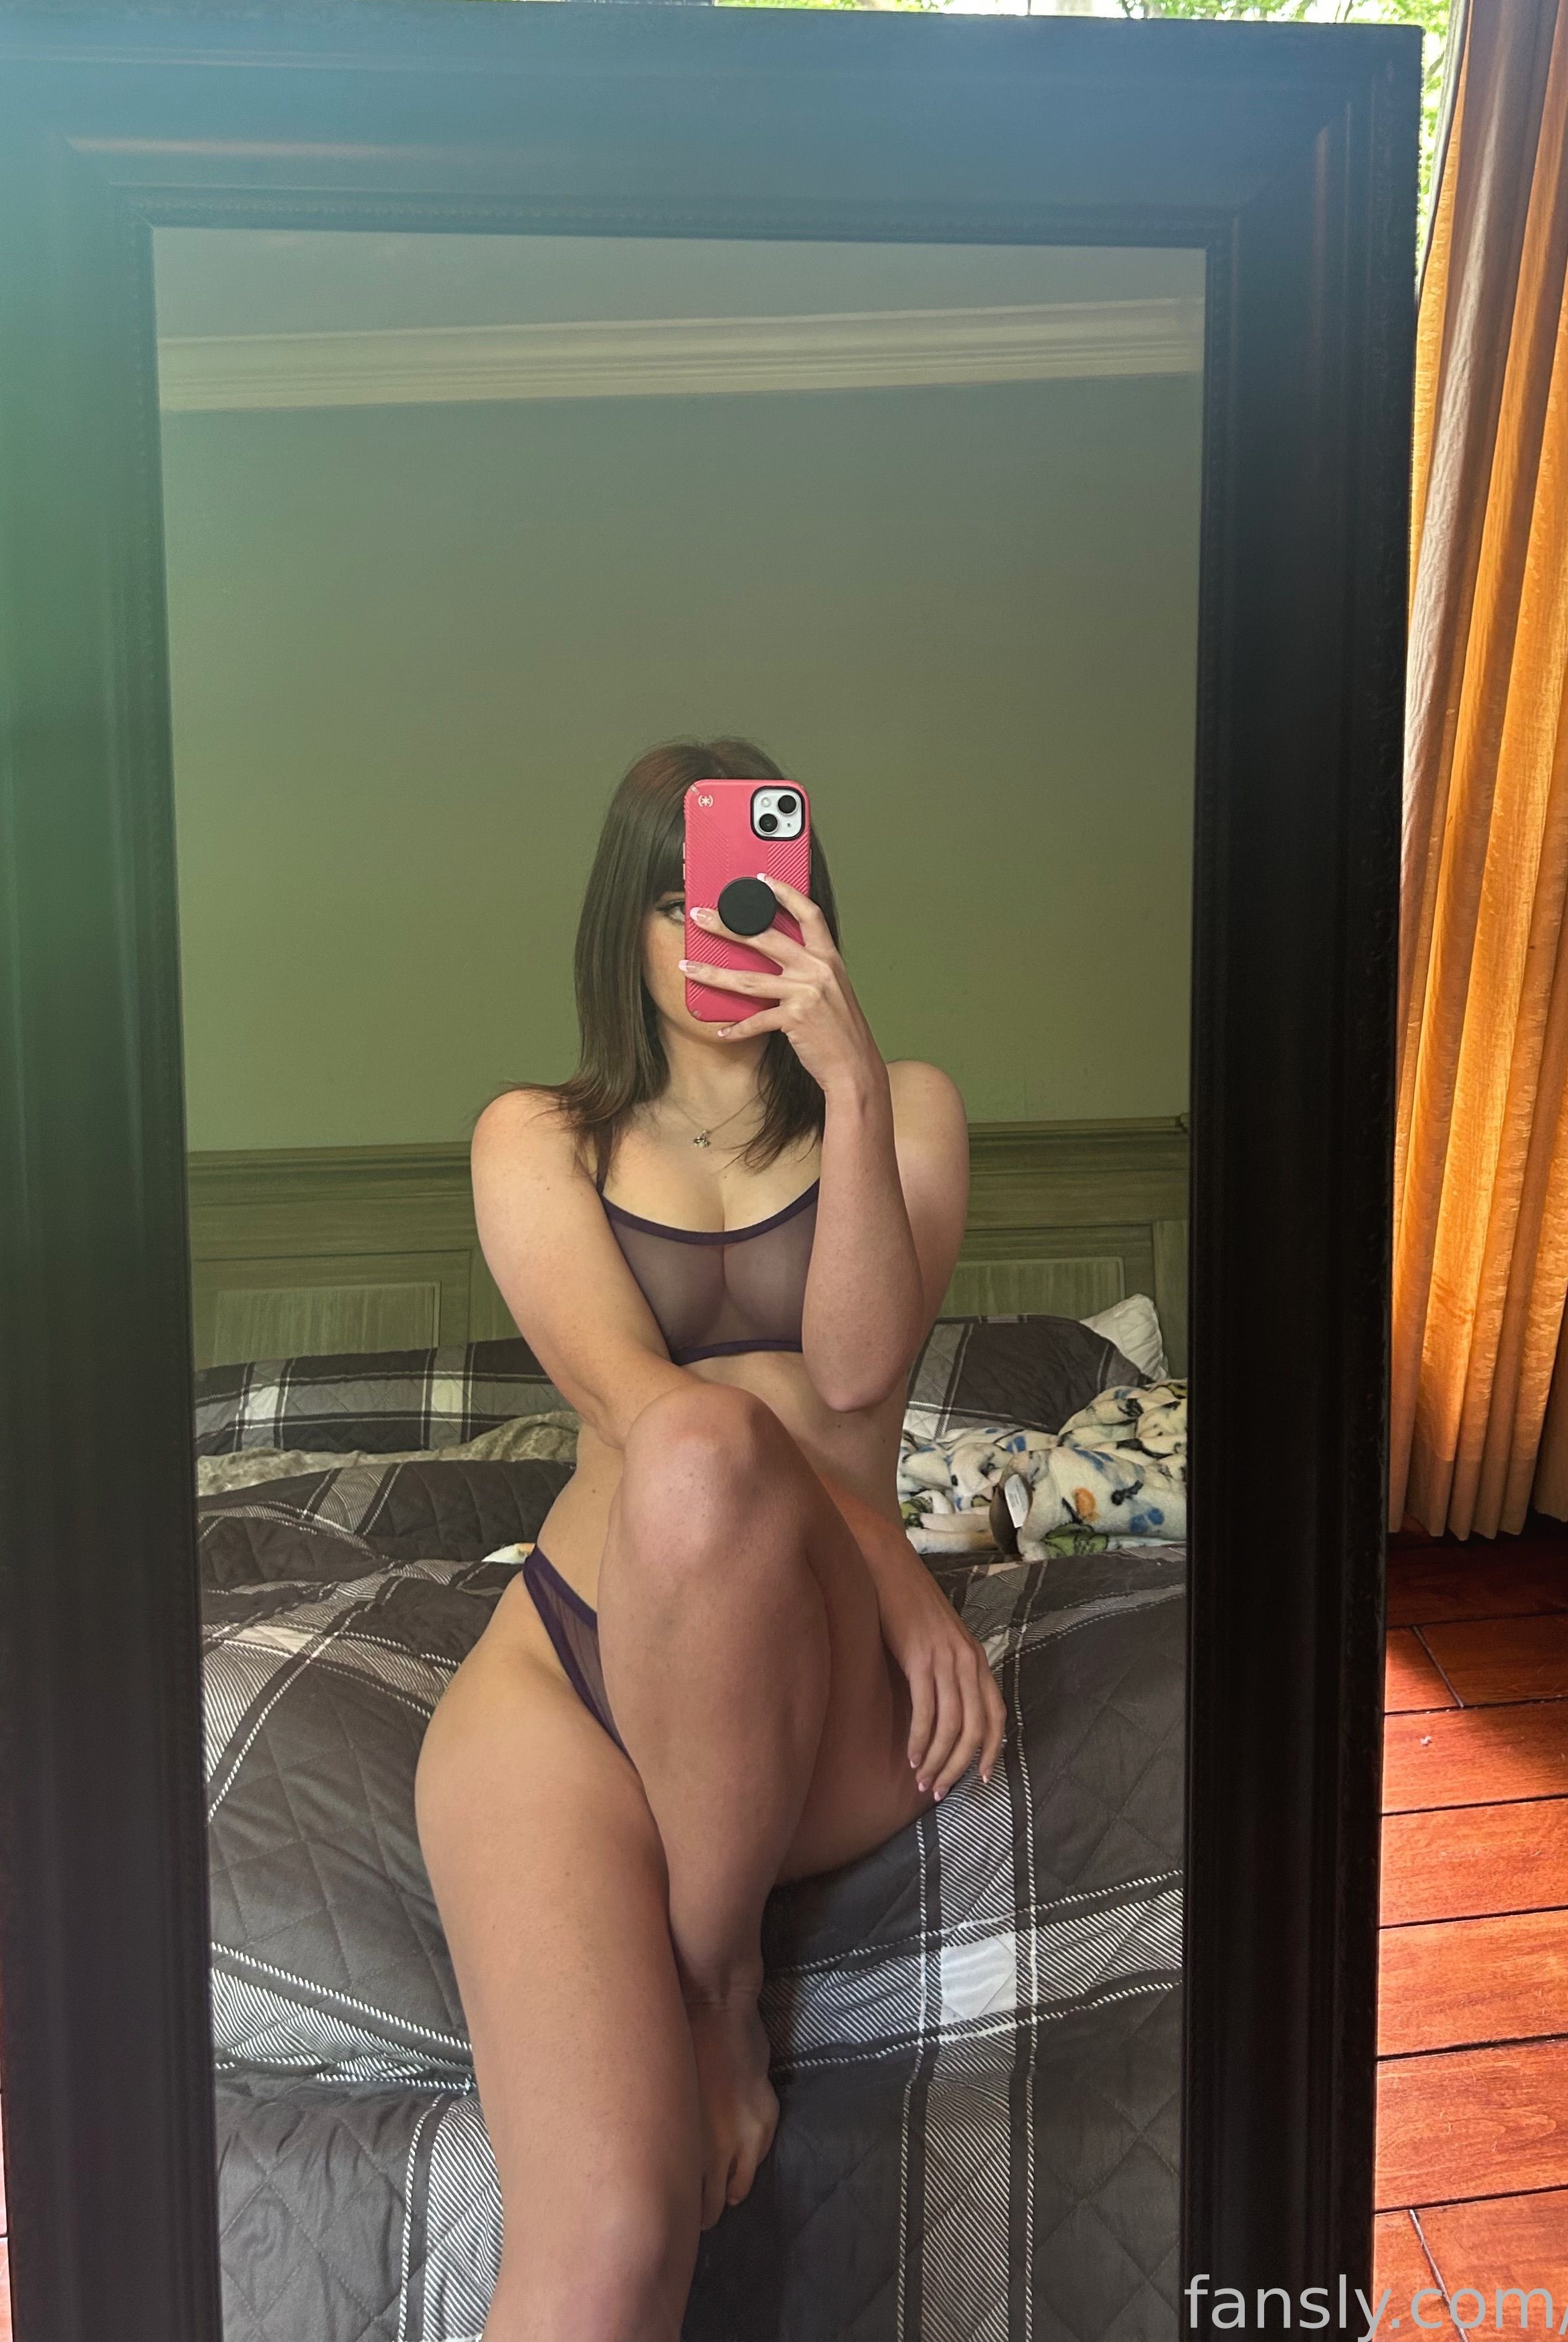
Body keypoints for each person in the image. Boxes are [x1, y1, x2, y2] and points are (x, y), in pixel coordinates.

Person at [416, 736, 1003, 2342]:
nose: (722, 934)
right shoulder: (537, 1135)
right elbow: (644, 1411)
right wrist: (902, 1569)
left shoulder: (909, 1109)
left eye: (755, 894)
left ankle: (720, 1986)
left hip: (807, 1696)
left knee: (710, 1451)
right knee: (605, 2244)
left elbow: (859, 1377)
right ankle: (699, 1988)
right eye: (684, 903)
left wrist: (853, 1085)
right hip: (576, 1676)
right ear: (626, 924)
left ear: (810, 902)